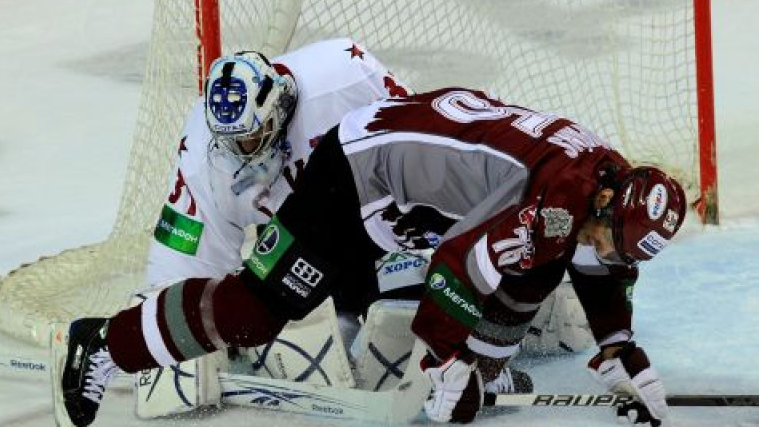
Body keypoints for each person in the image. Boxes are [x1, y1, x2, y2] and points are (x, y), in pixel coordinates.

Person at [58, 87, 686, 426]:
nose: (606, 250)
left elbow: (597, 267)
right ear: (606, 201)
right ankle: (104, 345)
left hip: (408, 189)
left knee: (538, 268)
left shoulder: (605, 185)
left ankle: (483, 372)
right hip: (354, 172)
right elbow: (458, 267)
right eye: (609, 237)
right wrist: (445, 362)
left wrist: (621, 347)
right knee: (256, 312)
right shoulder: (560, 204)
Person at [139, 40, 530, 410]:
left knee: (405, 321)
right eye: (234, 142)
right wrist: (167, 334)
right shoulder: (202, 154)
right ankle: (342, 323)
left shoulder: (343, 74)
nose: (243, 152)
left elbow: (420, 144)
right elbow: (186, 250)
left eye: (254, 137)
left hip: (383, 218)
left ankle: (481, 362)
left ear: (275, 109)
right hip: (301, 239)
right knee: (286, 327)